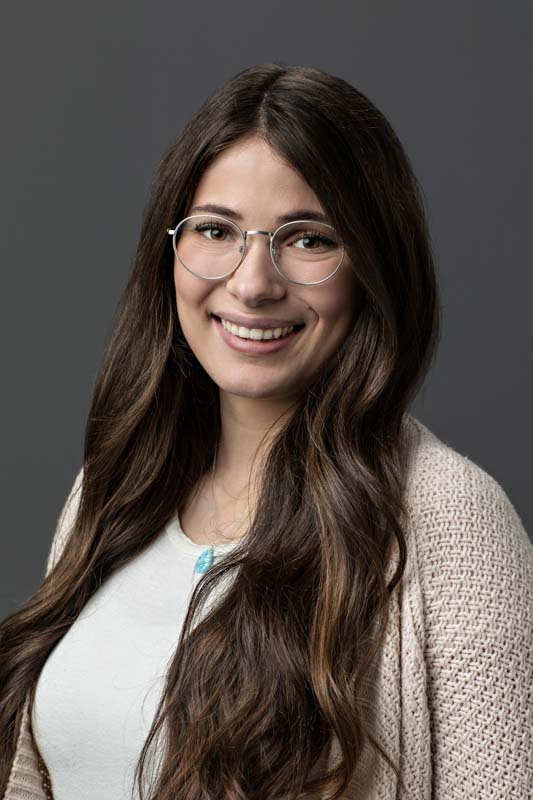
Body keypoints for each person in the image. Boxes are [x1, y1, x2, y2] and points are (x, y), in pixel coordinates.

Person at [1, 63, 531, 800]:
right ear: (171, 252)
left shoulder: (454, 522)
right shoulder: (115, 487)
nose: (253, 283)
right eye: (216, 230)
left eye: (307, 240)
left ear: (373, 265)